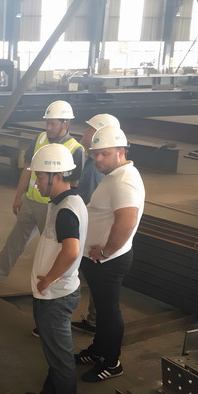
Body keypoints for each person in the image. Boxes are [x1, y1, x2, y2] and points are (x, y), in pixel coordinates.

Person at [0, 100, 84, 288]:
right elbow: (27, 170)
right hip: (30, 202)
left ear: (66, 123)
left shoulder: (75, 149)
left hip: (51, 208)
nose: (48, 127)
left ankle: (53, 284)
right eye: (47, 123)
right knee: (14, 242)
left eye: (52, 123)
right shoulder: (40, 139)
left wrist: (60, 209)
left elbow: (72, 185)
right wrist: (18, 196)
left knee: (53, 248)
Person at [75, 126, 145, 382]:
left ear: (121, 151)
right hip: (101, 259)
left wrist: (106, 251)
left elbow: (126, 221)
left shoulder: (123, 181)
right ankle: (98, 351)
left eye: (104, 153)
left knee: (109, 313)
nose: (98, 159)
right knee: (104, 312)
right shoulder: (116, 176)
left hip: (108, 261)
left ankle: (112, 362)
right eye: (95, 154)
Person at [28, 143, 87, 394]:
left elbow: (71, 251)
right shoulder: (64, 202)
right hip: (54, 293)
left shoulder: (66, 210)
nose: (37, 183)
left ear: (56, 176)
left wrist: (48, 279)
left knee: (62, 361)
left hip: (55, 296)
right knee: (55, 354)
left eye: (40, 177)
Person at [72, 113, 119, 335]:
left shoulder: (100, 169)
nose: (85, 132)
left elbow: (94, 204)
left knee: (92, 278)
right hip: (87, 227)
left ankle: (94, 323)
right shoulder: (92, 160)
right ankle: (93, 321)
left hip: (92, 231)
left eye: (89, 129)